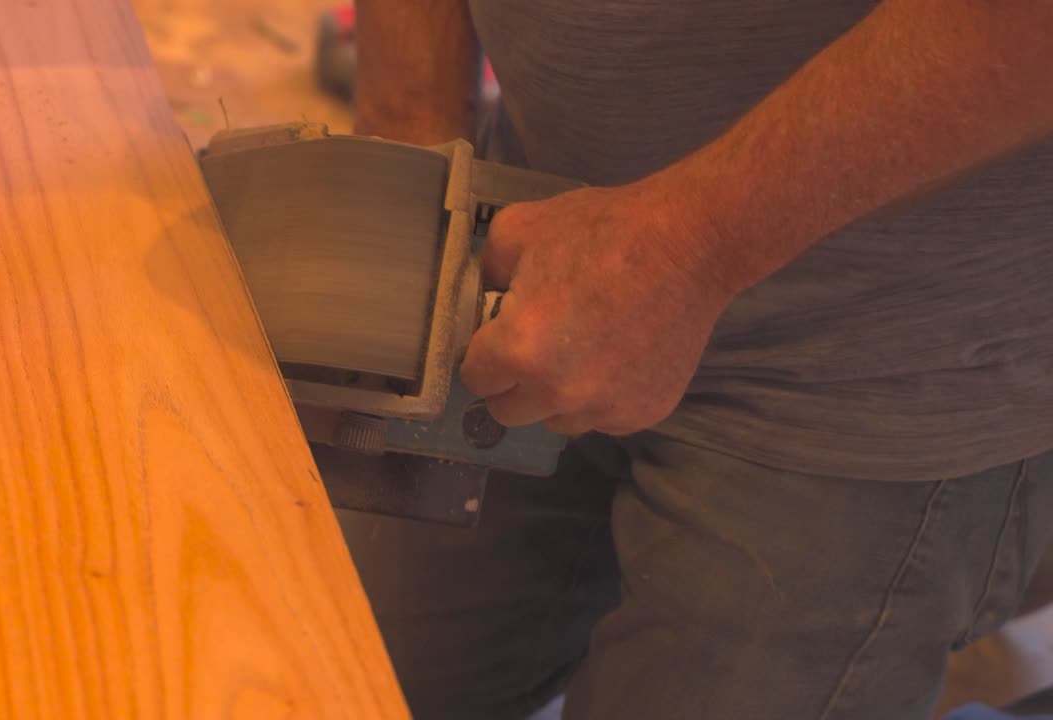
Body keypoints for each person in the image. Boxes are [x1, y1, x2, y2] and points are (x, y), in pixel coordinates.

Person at [338, 1, 1053, 718]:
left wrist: (692, 245)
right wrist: (411, 136)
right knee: (336, 677)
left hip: (867, 377)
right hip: (523, 252)